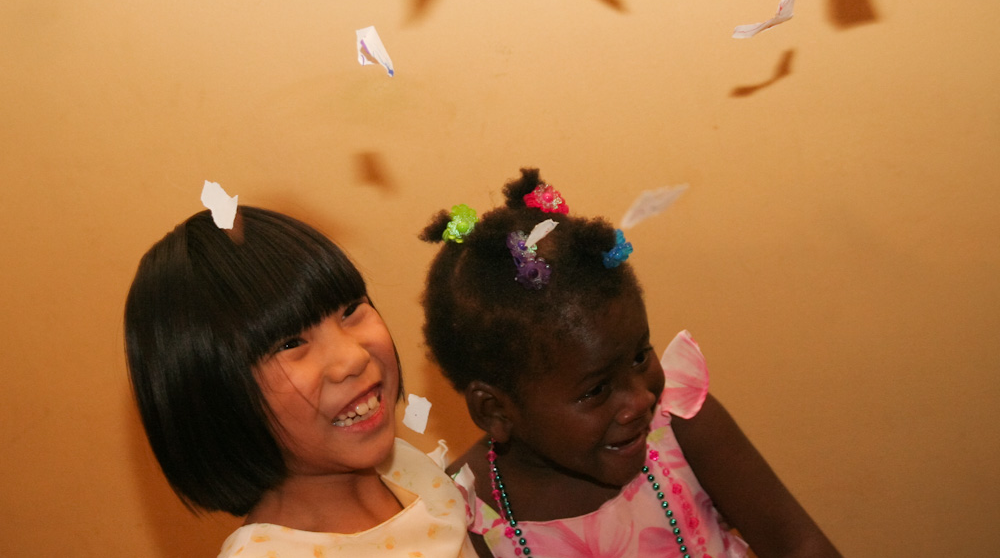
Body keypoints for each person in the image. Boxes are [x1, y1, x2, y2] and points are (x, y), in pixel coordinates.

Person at [418, 168, 841, 558]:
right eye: (596, 389)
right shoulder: (466, 518)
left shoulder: (681, 423)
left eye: (640, 356)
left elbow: (800, 546)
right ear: (495, 410)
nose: (640, 400)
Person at [125, 205, 476, 558]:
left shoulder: (409, 470)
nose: (353, 357)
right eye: (291, 344)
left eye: (351, 309)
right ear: (216, 400)